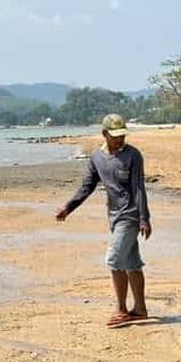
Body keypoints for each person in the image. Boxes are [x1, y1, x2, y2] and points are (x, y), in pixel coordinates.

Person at [55, 113, 153, 327]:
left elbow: (139, 188)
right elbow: (87, 186)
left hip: (131, 215)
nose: (120, 139)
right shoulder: (97, 158)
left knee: (114, 259)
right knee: (131, 263)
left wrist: (144, 218)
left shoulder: (133, 155)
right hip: (114, 215)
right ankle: (141, 309)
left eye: (122, 135)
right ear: (105, 134)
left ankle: (121, 309)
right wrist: (68, 207)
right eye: (115, 136)